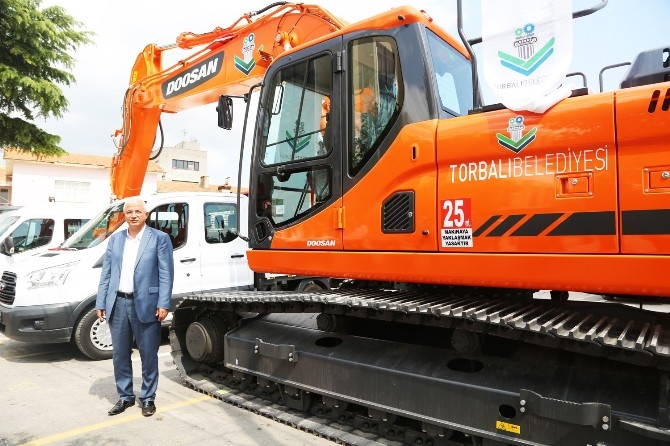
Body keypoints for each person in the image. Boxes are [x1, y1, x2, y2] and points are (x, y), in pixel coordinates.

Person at [95, 197, 175, 417]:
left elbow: (166, 273)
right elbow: (106, 273)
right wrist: (101, 301)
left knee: (148, 354)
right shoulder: (115, 239)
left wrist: (163, 302)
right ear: (124, 216)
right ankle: (125, 397)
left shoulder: (159, 238)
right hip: (118, 303)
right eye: (129, 212)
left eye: (138, 211)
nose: (133, 215)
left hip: (147, 304)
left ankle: (148, 397)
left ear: (146, 214)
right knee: (120, 354)